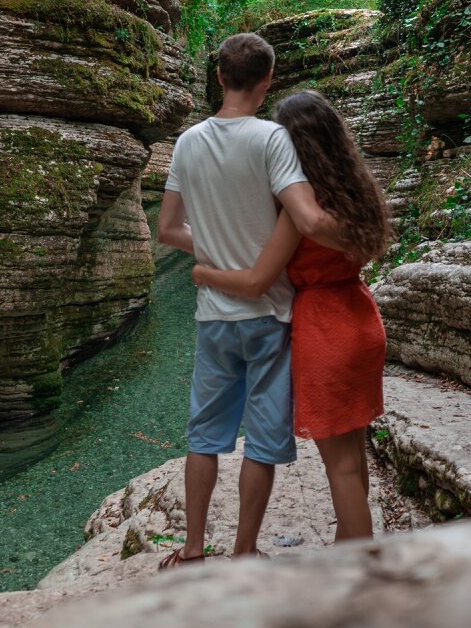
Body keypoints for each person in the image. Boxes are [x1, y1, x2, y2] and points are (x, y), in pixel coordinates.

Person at [157, 35, 341, 569]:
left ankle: (192, 548)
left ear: (218, 76)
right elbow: (303, 217)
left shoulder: (187, 142)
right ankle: (242, 551)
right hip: (271, 316)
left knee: (204, 436)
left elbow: (168, 229)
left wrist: (212, 245)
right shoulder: (272, 139)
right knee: (261, 441)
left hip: (214, 316)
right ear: (267, 82)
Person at [192, 89, 391, 543]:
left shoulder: (302, 213)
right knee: (354, 456)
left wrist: (204, 271)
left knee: (339, 467)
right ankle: (350, 549)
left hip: (326, 330)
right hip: (361, 317)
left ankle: (358, 574)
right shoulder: (354, 194)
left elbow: (255, 281)